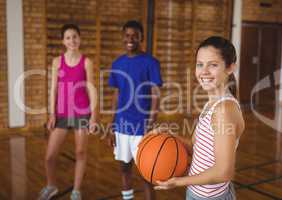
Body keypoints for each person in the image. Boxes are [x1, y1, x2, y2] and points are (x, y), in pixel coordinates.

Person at [155, 36, 245, 200]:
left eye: (213, 65)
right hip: (197, 193)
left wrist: (178, 182)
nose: (204, 71)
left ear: (230, 68)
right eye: (200, 64)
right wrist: (168, 135)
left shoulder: (224, 110)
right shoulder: (211, 104)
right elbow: (193, 147)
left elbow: (224, 172)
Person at [38, 23, 97, 200]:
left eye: (75, 37)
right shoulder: (57, 61)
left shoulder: (87, 62)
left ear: (80, 39)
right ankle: (51, 186)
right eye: (68, 37)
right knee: (49, 156)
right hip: (62, 113)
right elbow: (53, 90)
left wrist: (93, 116)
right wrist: (51, 114)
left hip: (81, 112)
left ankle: (76, 191)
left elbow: (91, 88)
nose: (72, 40)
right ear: (63, 41)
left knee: (80, 152)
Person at [107, 20, 163, 200]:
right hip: (122, 125)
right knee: (124, 168)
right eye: (127, 35)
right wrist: (111, 124)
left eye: (135, 35)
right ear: (123, 38)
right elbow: (116, 94)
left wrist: (150, 123)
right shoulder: (117, 64)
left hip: (142, 126)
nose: (130, 39)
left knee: (146, 175)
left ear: (141, 38)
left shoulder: (151, 62)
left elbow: (155, 94)